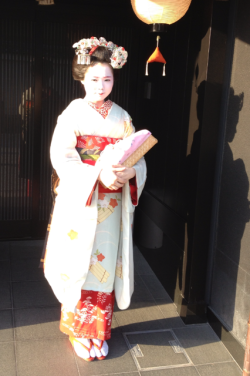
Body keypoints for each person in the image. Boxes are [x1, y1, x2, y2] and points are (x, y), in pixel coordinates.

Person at [43, 37, 147, 362]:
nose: (101, 86)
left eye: (107, 79)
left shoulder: (123, 117)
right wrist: (95, 175)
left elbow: (138, 156)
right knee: (80, 264)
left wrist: (132, 173)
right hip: (83, 201)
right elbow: (61, 156)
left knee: (102, 264)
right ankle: (77, 330)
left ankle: (98, 331)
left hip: (112, 205)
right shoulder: (72, 113)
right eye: (94, 79)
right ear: (81, 78)